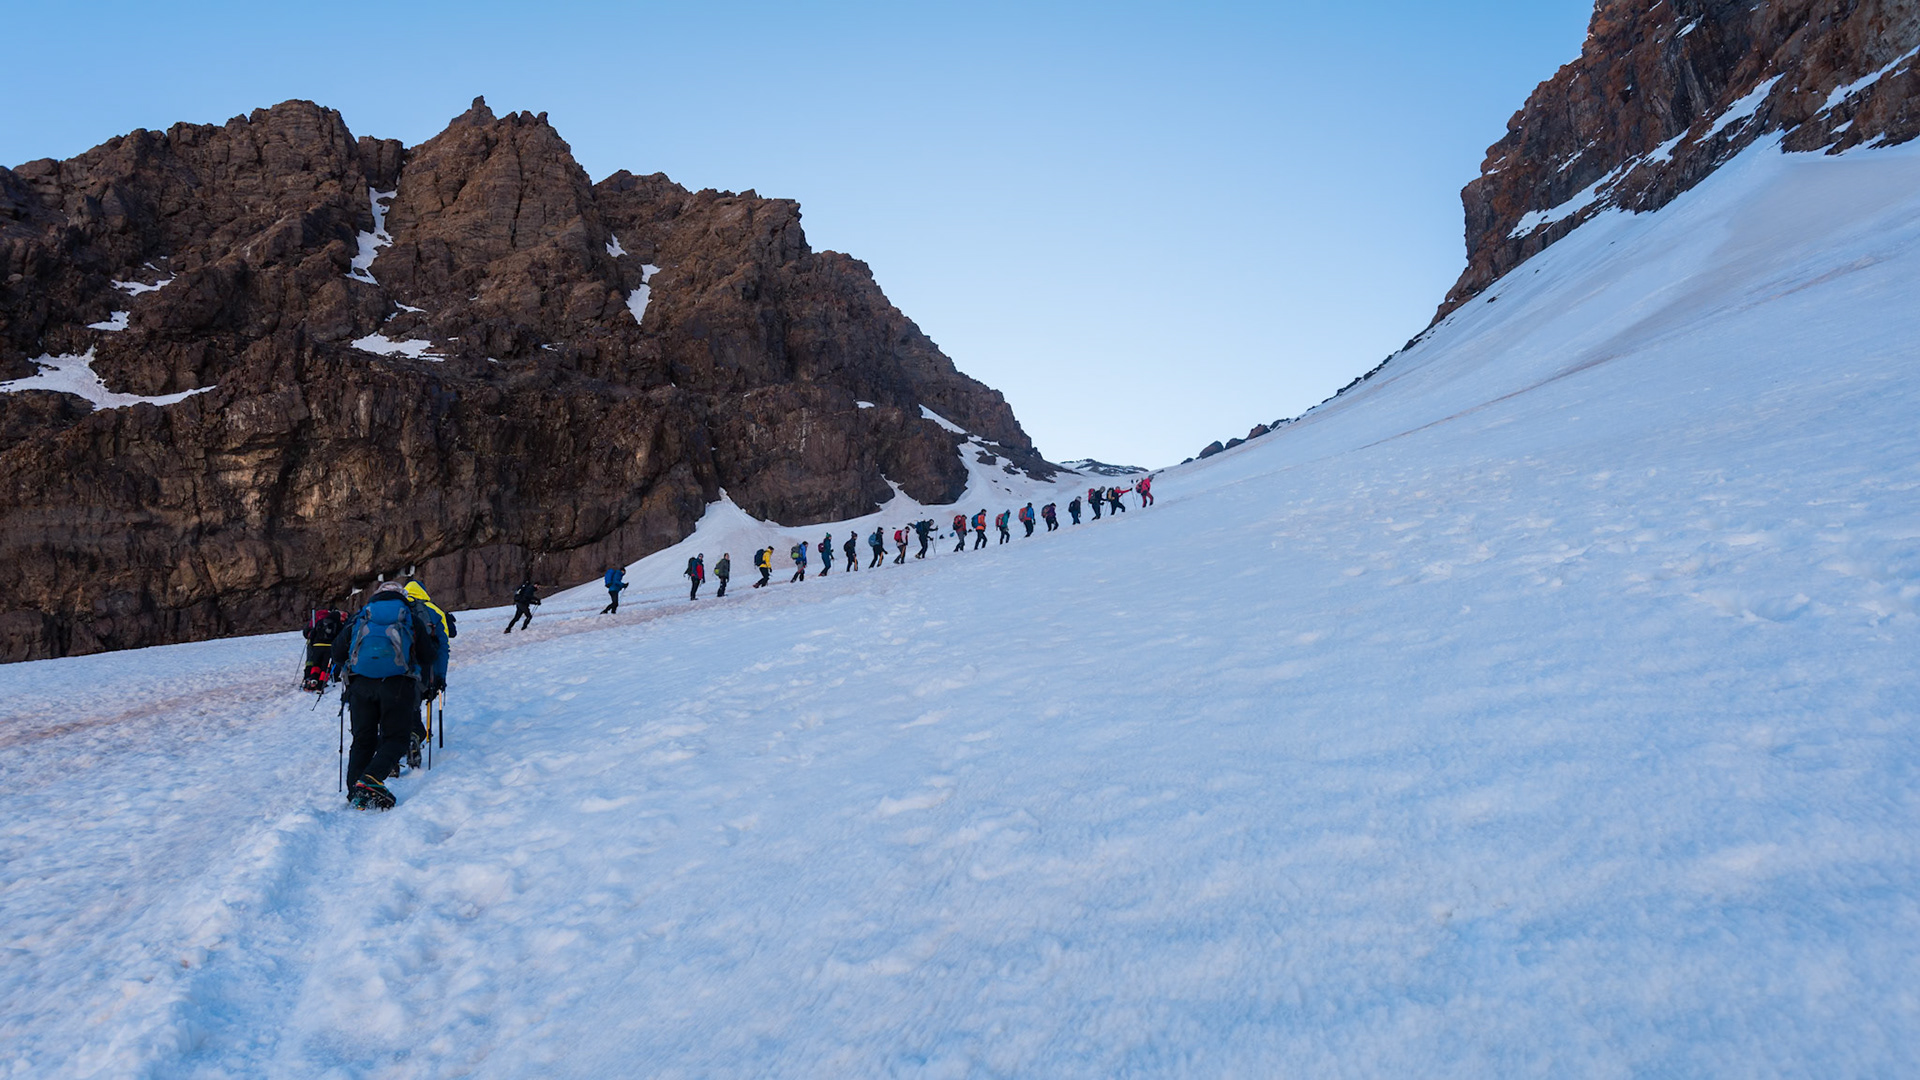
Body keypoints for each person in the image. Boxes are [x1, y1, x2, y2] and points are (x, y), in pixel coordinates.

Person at [331, 581, 446, 810]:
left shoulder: (362, 616)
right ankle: (371, 779)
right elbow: (428, 655)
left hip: (360, 684)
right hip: (397, 685)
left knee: (363, 739)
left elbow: (336, 651)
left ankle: (356, 791)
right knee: (396, 738)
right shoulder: (410, 616)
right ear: (402, 596)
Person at [403, 581, 455, 772]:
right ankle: (414, 737)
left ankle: (391, 755)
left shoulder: (397, 607)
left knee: (396, 707)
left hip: (394, 669)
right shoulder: (434, 610)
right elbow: (443, 646)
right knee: (413, 705)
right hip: (424, 669)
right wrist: (440, 676)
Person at [302, 608, 346, 691]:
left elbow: (313, 633)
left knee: (316, 664)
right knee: (325, 666)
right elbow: (341, 637)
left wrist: (312, 644)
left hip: (317, 646)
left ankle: (313, 678)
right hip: (329, 647)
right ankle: (321, 684)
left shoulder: (321, 621)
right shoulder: (338, 624)